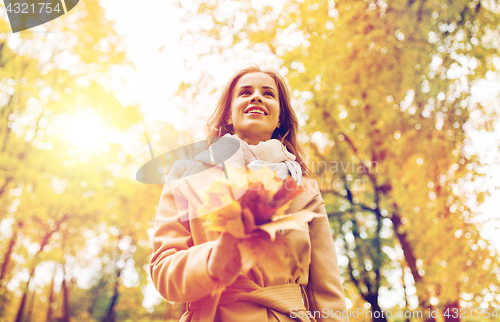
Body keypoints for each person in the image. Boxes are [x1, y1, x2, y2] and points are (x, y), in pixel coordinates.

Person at [149, 65, 349, 322]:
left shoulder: (305, 191)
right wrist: (213, 260)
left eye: (268, 94)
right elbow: (164, 271)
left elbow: (327, 290)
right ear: (229, 116)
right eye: (245, 92)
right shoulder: (185, 177)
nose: (256, 97)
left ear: (279, 120)